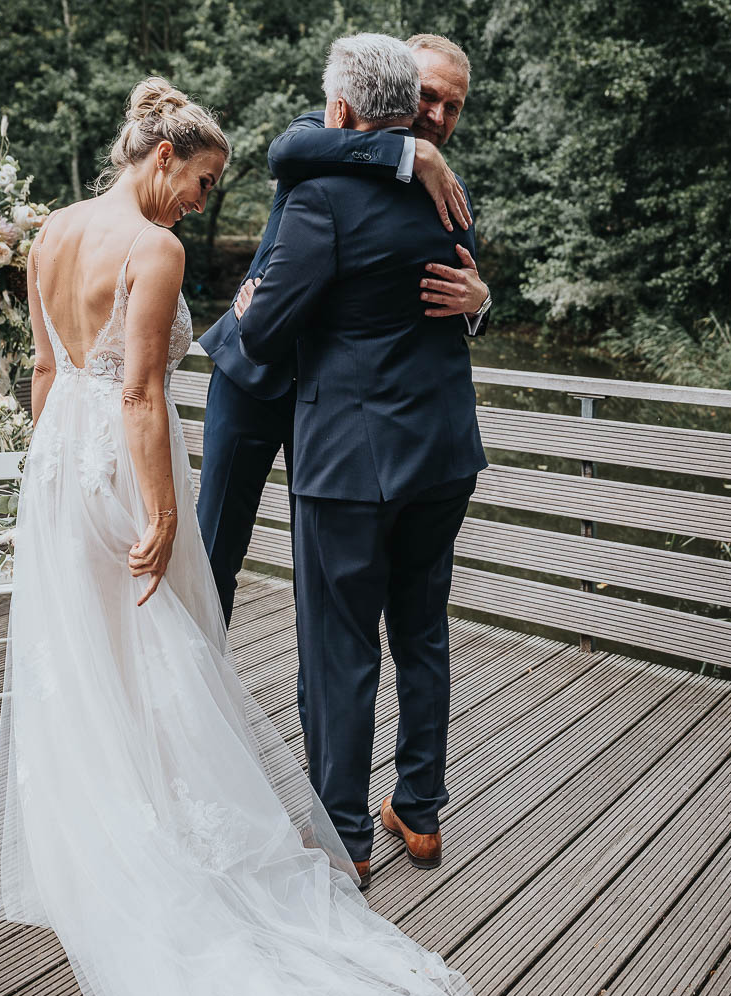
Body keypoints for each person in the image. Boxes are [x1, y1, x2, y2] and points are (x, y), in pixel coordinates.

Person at [0, 75, 473, 996]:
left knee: (80, 657)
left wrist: (56, 472)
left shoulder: (51, 232)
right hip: (116, 465)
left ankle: (105, 823)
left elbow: (50, 372)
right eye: (202, 185)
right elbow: (144, 396)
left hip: (53, 466)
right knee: (161, 648)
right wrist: (163, 512)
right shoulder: (148, 252)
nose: (202, 209)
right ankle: (171, 826)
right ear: (163, 158)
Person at [235, 33, 487, 887]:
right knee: (422, 633)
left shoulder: (320, 198)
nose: (442, 118)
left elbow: (267, 334)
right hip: (443, 452)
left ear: (346, 107)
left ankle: (345, 833)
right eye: (432, 101)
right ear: (405, 102)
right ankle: (418, 811)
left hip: (347, 462)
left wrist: (254, 303)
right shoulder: (449, 194)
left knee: (341, 648)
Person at [197, 32, 489, 624]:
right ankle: (189, 703)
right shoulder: (326, 129)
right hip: (255, 375)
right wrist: (409, 154)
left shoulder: (446, 194)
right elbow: (283, 152)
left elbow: (449, 285)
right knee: (213, 553)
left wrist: (480, 301)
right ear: (399, 87)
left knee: (324, 582)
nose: (436, 116)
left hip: (344, 409)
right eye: (428, 95)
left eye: (452, 106)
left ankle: (319, 713)